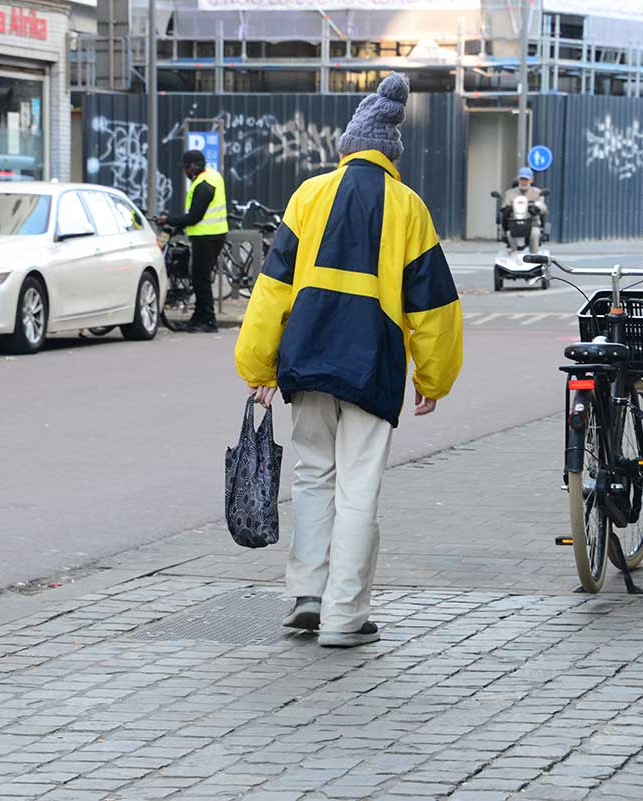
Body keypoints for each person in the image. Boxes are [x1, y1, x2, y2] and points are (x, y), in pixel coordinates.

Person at [234, 73, 463, 648]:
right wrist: (435, 376)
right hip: (372, 363)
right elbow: (434, 305)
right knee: (358, 486)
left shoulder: (307, 197)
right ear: (391, 157)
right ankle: (343, 615)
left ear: (346, 147)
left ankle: (306, 596)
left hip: (308, 360)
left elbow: (272, 289)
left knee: (314, 476)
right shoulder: (409, 207)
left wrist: (257, 366)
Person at [158, 150, 228, 333]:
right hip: (212, 235)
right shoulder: (212, 177)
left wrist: (169, 220)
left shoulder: (204, 185)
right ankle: (198, 318)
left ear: (195, 166)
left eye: (187, 167)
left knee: (201, 280)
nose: (185, 172)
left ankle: (208, 320)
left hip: (207, 238)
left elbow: (195, 216)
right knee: (199, 279)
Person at [501, 166, 549, 248]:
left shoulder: (537, 193)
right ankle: (514, 254)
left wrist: (537, 208)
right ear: (518, 180)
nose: (524, 182)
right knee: (509, 234)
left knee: (535, 234)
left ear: (531, 180)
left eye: (526, 179)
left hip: (532, 224)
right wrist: (507, 209)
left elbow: (544, 208)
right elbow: (504, 206)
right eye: (521, 179)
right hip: (515, 225)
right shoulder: (510, 193)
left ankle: (534, 256)